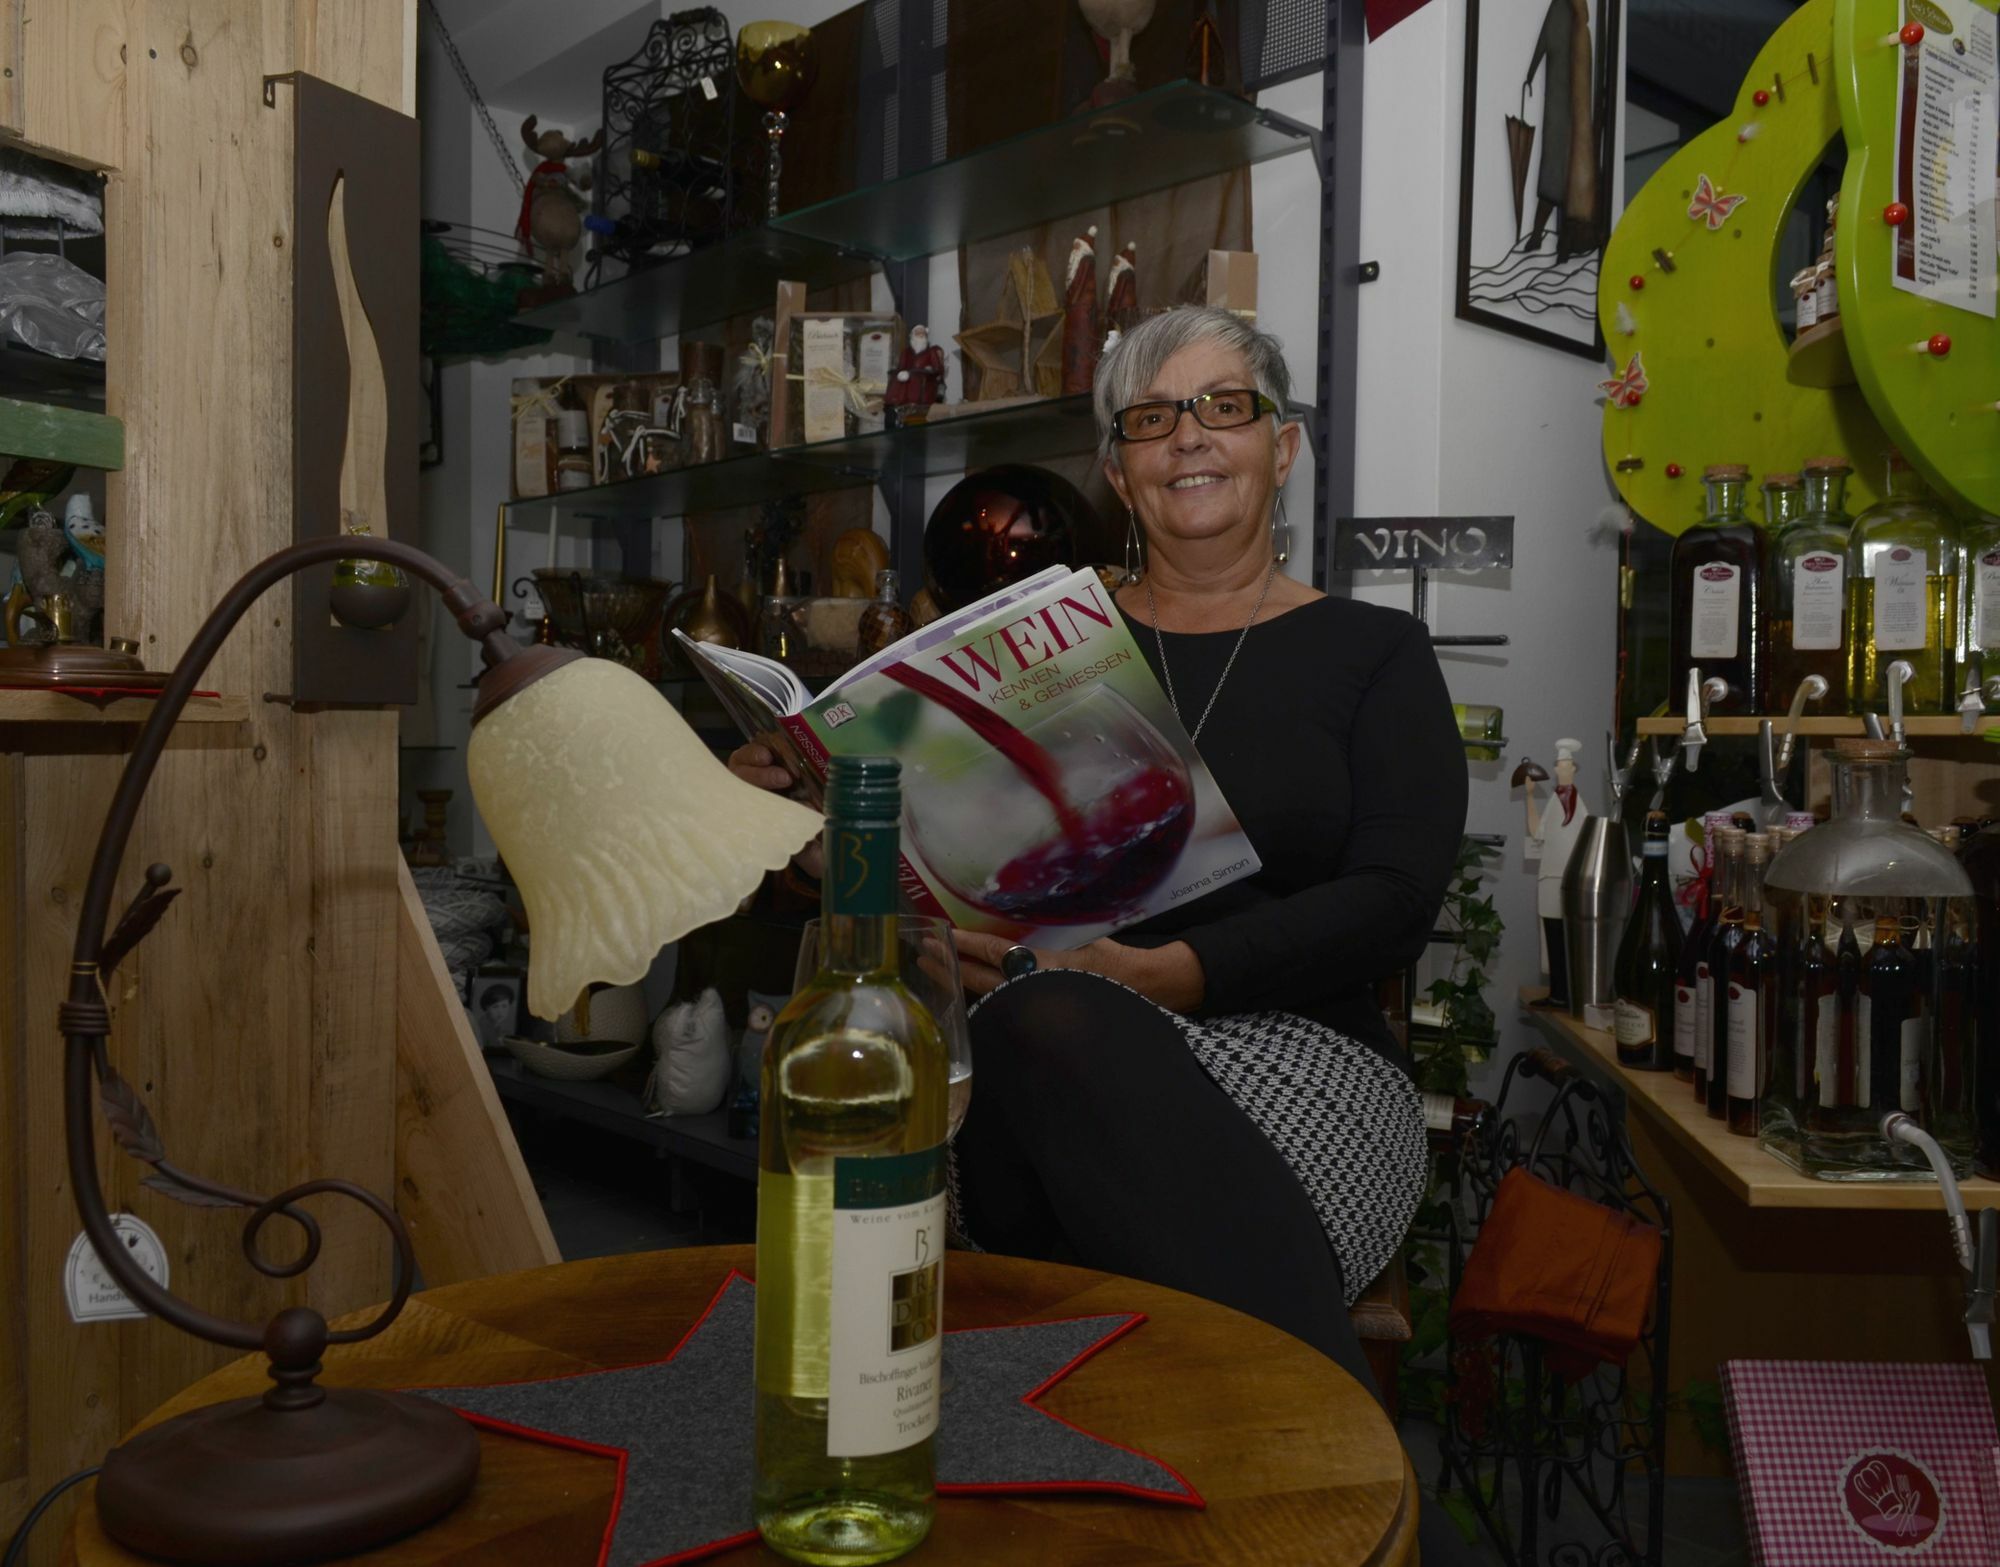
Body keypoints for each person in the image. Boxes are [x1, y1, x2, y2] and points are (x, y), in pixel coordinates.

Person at [730, 305, 1470, 1558]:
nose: (1189, 437)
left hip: (1299, 1066)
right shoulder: (1023, 651)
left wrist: (1171, 973)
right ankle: (1373, 1509)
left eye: (1224, 407)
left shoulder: (1372, 651)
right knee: (1045, 1014)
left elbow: (1396, 897)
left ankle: (1339, 1494)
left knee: (1061, 1012)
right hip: (1033, 1075)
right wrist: (808, 820)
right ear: (1118, 471)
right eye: (1150, 418)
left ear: (1281, 446)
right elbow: (929, 878)